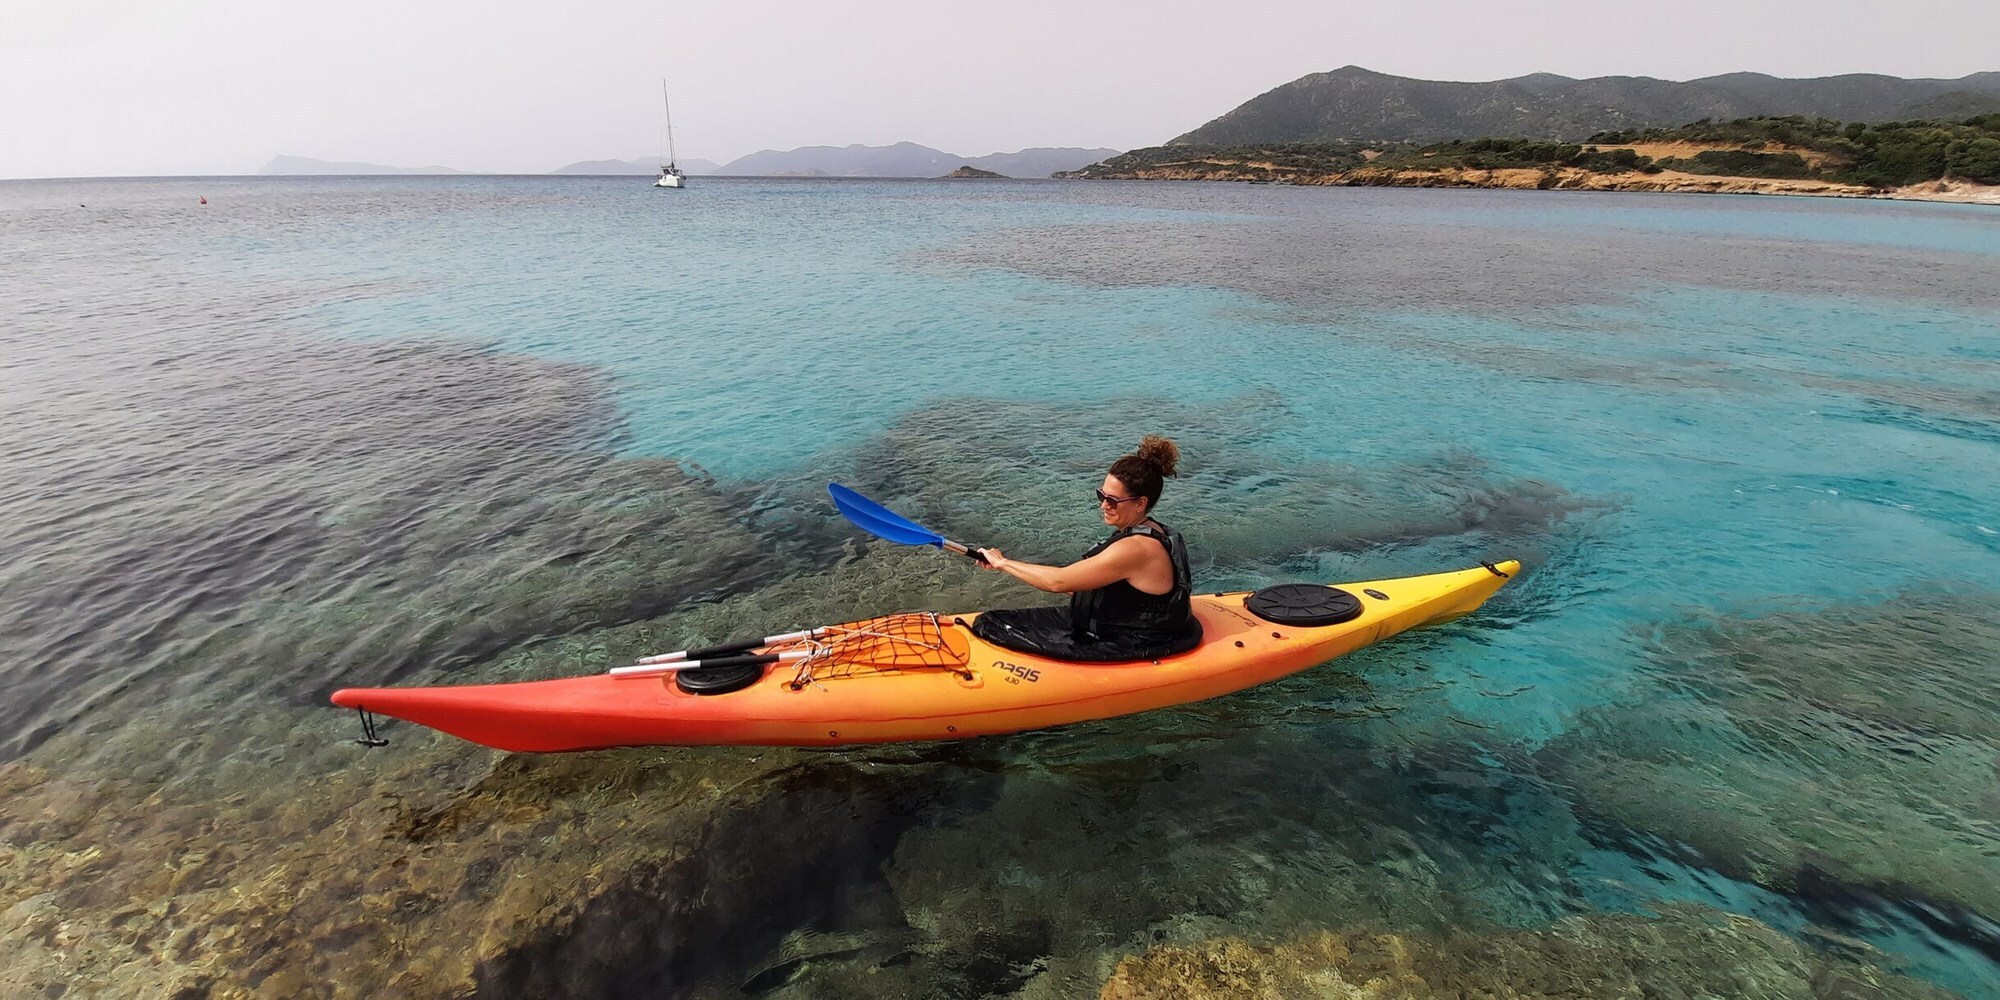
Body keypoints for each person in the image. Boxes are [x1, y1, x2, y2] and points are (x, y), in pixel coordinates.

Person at [972, 436, 1201, 661]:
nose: (1103, 505)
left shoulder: (1137, 548)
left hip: (1132, 641)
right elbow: (1090, 586)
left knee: (991, 624)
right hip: (1126, 627)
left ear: (1140, 503)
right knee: (993, 620)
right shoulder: (1150, 530)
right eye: (1101, 495)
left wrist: (1002, 563)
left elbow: (1058, 582)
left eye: (1112, 500)